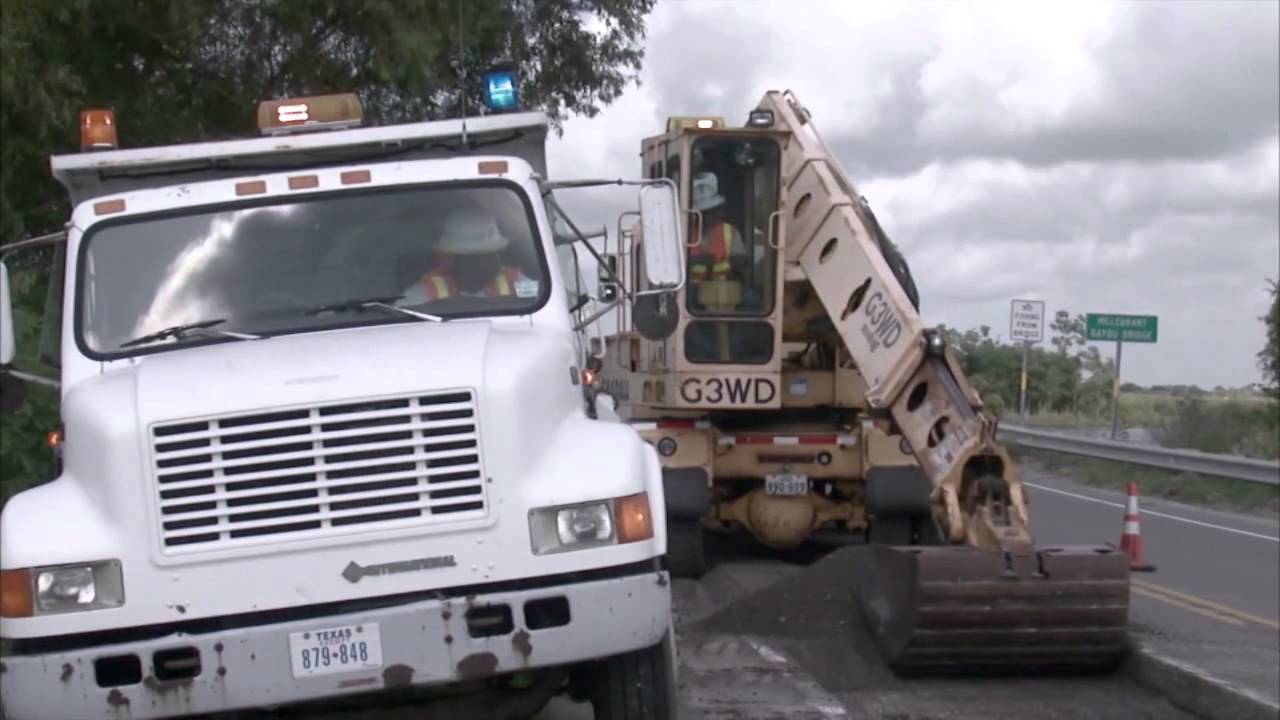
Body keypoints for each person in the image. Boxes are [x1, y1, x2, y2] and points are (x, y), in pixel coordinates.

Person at [401, 206, 538, 304]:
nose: (479, 263)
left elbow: (543, 306)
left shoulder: (515, 281)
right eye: (470, 257)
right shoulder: (426, 291)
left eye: (486, 254)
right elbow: (403, 317)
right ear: (451, 258)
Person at [686, 171, 743, 285]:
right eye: (704, 212)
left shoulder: (730, 232)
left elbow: (741, 261)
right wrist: (698, 260)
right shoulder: (683, 232)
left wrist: (731, 261)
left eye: (712, 210)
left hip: (723, 291)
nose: (709, 216)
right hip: (689, 293)